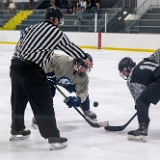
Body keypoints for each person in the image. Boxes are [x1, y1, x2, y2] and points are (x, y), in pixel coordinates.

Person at [10, 6, 93, 150]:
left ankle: (17, 130)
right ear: (55, 20)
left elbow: (20, 47)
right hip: (32, 69)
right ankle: (53, 137)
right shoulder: (55, 32)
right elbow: (69, 47)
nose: (59, 23)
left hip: (16, 65)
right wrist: (84, 57)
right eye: (59, 21)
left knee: (19, 99)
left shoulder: (31, 28)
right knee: (45, 103)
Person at [32, 53, 97, 128]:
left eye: (87, 68)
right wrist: (46, 73)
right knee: (47, 94)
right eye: (83, 67)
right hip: (52, 77)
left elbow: (83, 91)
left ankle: (86, 110)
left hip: (68, 82)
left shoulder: (83, 77)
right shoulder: (63, 61)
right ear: (78, 62)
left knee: (81, 93)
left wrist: (78, 99)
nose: (84, 70)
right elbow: (47, 58)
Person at [118, 49, 160, 141]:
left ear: (127, 68)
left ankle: (143, 127)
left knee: (142, 100)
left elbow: (139, 98)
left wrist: (139, 107)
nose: (123, 74)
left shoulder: (132, 79)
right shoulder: (146, 61)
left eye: (123, 71)